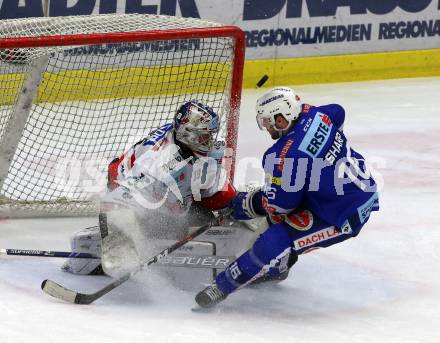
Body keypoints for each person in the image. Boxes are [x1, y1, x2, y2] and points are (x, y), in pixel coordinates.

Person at [195, 87, 380, 308]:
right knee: (282, 212)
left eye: (267, 121)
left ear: (281, 119)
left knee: (275, 239)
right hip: (356, 190)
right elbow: (338, 111)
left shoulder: (284, 156)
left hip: (344, 214)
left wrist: (247, 204)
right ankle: (279, 262)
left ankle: (222, 287)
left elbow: (280, 206)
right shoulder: (315, 115)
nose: (266, 127)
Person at [62, 100, 236, 276]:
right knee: (170, 230)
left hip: (160, 186)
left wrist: (235, 202)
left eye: (210, 135)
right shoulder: (156, 164)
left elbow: (209, 184)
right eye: (204, 136)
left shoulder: (184, 144)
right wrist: (118, 242)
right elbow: (112, 204)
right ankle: (104, 247)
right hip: (129, 184)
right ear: (188, 134)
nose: (210, 141)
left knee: (206, 216)